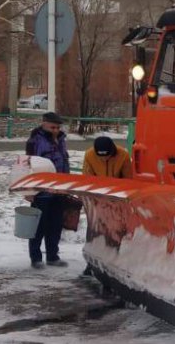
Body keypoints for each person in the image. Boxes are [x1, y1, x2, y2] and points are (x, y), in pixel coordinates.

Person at [80, 136, 133, 275]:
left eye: (107, 156)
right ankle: (91, 264)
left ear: (112, 152)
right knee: (95, 231)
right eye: (100, 157)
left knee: (115, 232)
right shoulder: (89, 155)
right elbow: (87, 178)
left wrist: (120, 200)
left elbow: (129, 180)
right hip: (98, 200)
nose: (103, 159)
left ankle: (113, 262)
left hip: (116, 200)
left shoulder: (123, 155)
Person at [25, 111, 71, 268]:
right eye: (53, 127)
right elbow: (27, 165)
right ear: (44, 124)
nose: (56, 130)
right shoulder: (35, 141)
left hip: (59, 189)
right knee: (39, 225)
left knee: (55, 225)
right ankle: (36, 258)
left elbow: (64, 162)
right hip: (41, 190)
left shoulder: (61, 140)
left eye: (58, 127)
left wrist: (67, 184)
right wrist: (29, 191)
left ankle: (52, 256)